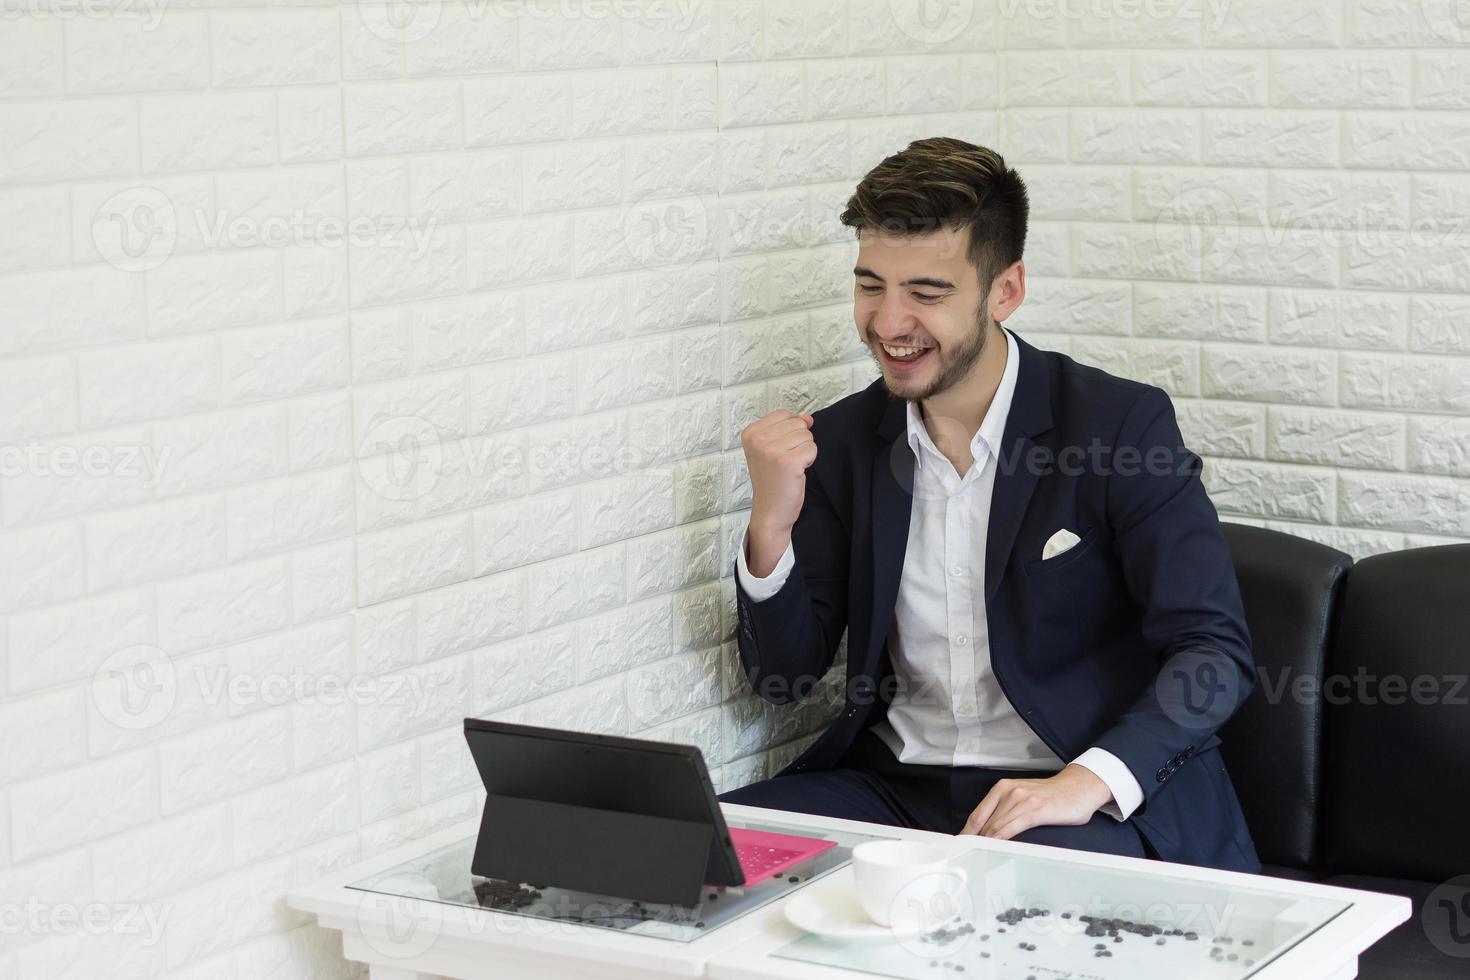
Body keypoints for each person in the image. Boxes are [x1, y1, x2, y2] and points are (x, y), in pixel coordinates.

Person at [718, 137, 1260, 873]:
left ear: (1005, 291)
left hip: (1073, 795)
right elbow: (782, 680)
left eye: (926, 294)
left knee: (1004, 907)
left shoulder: (1117, 427)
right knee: (711, 852)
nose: (887, 322)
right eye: (870, 284)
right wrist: (771, 525)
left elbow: (1214, 654)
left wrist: (1085, 782)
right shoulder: (844, 440)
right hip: (895, 791)